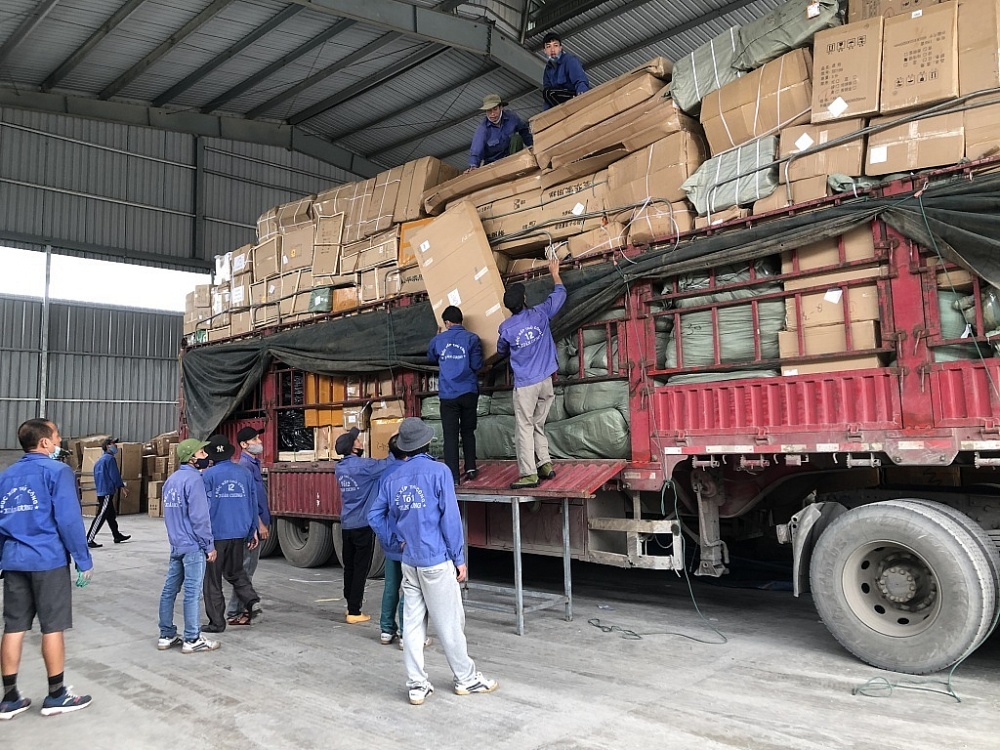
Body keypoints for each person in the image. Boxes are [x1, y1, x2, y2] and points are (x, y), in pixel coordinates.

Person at [369, 417, 498, 705]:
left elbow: (374, 515)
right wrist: (459, 558)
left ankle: (417, 685)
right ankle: (466, 678)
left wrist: (393, 539)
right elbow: (450, 520)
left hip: (409, 560)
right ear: (427, 443)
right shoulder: (439, 472)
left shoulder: (392, 478)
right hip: (436, 560)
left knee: (413, 625)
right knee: (450, 622)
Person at [0, 419, 94, 719]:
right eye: (56, 437)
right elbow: (68, 519)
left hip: (14, 560)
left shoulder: (7, 475)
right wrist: (83, 559)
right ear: (44, 443)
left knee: (13, 626)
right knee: (52, 626)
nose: (59, 441)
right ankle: (56, 694)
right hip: (47, 560)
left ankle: (10, 697)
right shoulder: (57, 471)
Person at [497, 256, 566, 489]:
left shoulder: (506, 328)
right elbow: (559, 296)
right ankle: (545, 463)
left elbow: (500, 350)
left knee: (524, 427)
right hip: (546, 380)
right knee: (538, 423)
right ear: (525, 300)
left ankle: (528, 473)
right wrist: (555, 273)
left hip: (526, 385)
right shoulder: (540, 314)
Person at [157, 438, 220, 654]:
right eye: (202, 453)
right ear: (191, 459)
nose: (206, 456)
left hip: (176, 544)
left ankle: (166, 634)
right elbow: (200, 518)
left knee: (169, 591)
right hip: (193, 546)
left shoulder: (171, 481)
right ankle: (192, 638)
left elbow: (170, 515)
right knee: (192, 593)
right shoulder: (194, 481)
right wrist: (209, 546)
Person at [201, 435, 261, 632]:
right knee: (235, 572)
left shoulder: (208, 476)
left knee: (213, 579)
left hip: (216, 534)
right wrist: (253, 530)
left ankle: (217, 623)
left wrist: (202, 536)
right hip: (240, 532)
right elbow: (253, 503)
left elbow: (204, 508)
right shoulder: (244, 473)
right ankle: (251, 599)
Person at [334, 427, 391, 624]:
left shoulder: (340, 468)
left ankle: (349, 603)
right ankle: (354, 611)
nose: (360, 442)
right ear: (352, 448)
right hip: (362, 523)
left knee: (349, 567)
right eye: (357, 441)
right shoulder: (364, 466)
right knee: (360, 568)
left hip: (347, 523)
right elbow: (388, 463)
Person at [427, 305, 484, 484]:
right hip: (468, 392)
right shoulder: (472, 339)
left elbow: (431, 358)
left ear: (447, 323)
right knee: (468, 431)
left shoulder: (438, 340)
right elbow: (477, 365)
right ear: (461, 321)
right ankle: (471, 468)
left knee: (450, 435)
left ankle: (453, 476)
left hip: (448, 395)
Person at [228, 426, 269, 623]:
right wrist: (258, 525)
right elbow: (247, 500)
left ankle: (241, 609)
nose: (259, 442)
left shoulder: (253, 463)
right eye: (254, 440)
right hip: (252, 527)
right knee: (246, 570)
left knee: (247, 569)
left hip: (256, 523)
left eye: (258, 438)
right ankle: (236, 612)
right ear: (244, 445)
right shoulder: (244, 466)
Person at [467, 94, 534, 171]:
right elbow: (476, 149)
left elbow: (524, 131)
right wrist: (473, 165)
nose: (492, 114)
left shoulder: (512, 117)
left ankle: (515, 166)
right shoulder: (482, 129)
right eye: (489, 111)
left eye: (495, 109)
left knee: (517, 138)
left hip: (511, 156)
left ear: (501, 107)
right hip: (493, 163)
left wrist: (533, 146)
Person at [87, 436, 131, 548]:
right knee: (101, 515)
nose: (115, 446)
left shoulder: (100, 460)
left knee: (111, 515)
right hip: (107, 491)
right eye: (113, 444)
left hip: (102, 490)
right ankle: (89, 539)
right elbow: (114, 475)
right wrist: (122, 487)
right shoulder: (110, 459)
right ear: (107, 446)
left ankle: (117, 535)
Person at [541, 32, 590, 110]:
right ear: (545, 51)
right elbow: (547, 97)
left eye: (555, 45)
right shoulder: (548, 70)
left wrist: (582, 97)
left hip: (574, 94)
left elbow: (580, 80)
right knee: (547, 93)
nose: (552, 50)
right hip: (559, 99)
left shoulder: (569, 60)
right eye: (548, 46)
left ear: (560, 48)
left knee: (549, 93)